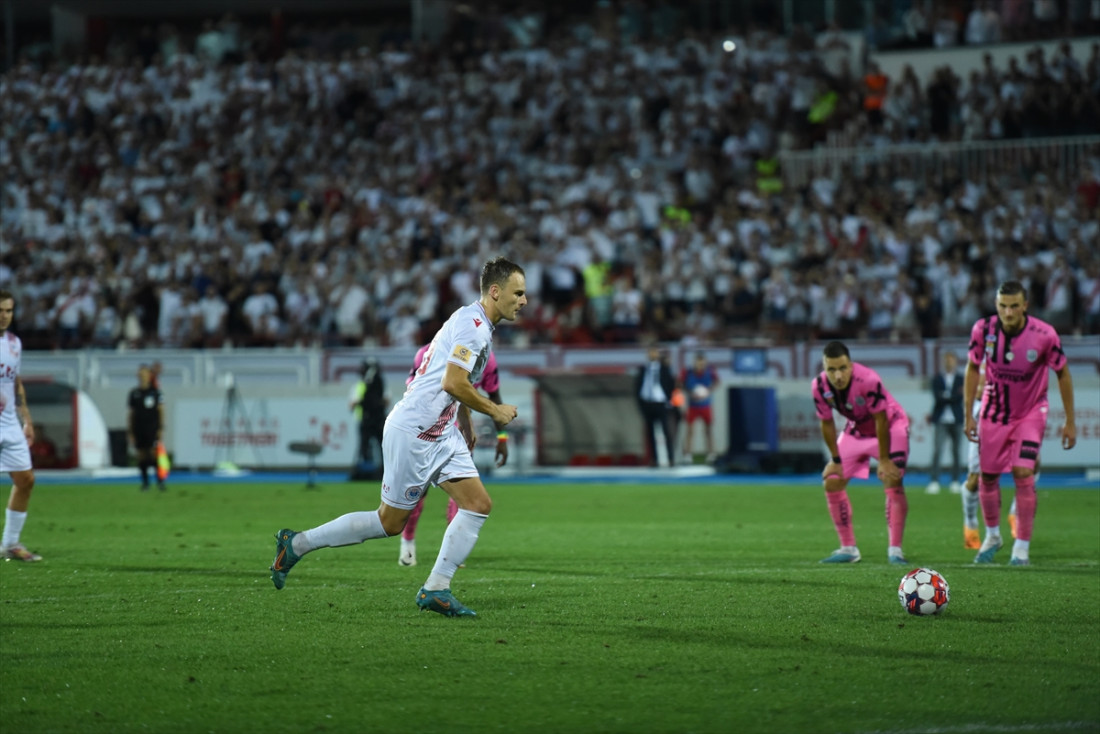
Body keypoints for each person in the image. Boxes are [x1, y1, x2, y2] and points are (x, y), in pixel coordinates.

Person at [269, 257, 526, 617]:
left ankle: (436, 589)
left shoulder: (474, 321)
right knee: (388, 523)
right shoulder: (474, 328)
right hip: (414, 432)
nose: (524, 300)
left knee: (478, 504)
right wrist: (495, 411)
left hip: (442, 432)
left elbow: (457, 380)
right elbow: (452, 382)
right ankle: (297, 544)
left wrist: (465, 421)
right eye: (518, 293)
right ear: (495, 291)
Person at [964, 280, 1076, 566]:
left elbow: (1063, 373)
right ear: (996, 305)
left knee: (1023, 472)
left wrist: (1070, 420)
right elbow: (973, 367)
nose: (1008, 312)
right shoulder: (982, 330)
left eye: (1014, 306)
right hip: (993, 412)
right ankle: (992, 536)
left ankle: (1021, 547)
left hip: (1030, 412)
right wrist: (968, 414)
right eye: (1003, 306)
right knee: (988, 476)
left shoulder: (1045, 335)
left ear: (1025, 305)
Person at [398, 345, 509, 567]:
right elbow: (414, 392)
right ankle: (407, 544)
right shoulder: (427, 353)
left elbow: (494, 396)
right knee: (418, 491)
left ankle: (452, 553)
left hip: (459, 432)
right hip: (425, 430)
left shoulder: (487, 358)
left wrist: (502, 437)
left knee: (463, 493)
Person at [813, 341, 911, 565]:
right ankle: (848, 548)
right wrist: (835, 460)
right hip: (856, 429)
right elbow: (826, 423)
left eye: (842, 368)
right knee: (832, 480)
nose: (838, 375)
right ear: (824, 368)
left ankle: (895, 550)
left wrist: (884, 460)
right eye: (831, 370)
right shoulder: (819, 386)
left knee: (892, 477)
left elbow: (881, 419)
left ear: (851, 365)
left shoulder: (868, 380)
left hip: (890, 427)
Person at [0, 290, 41, 562]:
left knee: (26, 480)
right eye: (0, 311)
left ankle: (10, 544)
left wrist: (26, 419)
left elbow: (15, 381)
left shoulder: (14, 343)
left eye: (8, 311)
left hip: (9, 423)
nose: (4, 316)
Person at [926, 351, 965, 495]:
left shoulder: (961, 379)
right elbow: (937, 397)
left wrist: (946, 396)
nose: (949, 363)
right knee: (938, 450)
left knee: (956, 451)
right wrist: (951, 396)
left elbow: (960, 397)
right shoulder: (937, 378)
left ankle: (955, 480)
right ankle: (934, 481)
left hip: (956, 419)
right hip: (941, 419)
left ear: (956, 362)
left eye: (951, 360)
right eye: (947, 360)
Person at [635, 345, 676, 467]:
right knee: (650, 434)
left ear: (658, 354)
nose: (652, 354)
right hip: (647, 403)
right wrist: (641, 403)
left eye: (654, 352)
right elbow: (638, 387)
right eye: (650, 352)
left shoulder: (664, 369)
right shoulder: (643, 369)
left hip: (660, 403)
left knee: (666, 431)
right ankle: (654, 459)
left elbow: (670, 384)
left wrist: (667, 400)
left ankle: (670, 458)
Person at [128, 364, 166, 491]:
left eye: (144, 374)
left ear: (149, 376)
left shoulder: (155, 393)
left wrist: (160, 428)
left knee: (154, 454)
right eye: (140, 374)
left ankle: (160, 482)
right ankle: (145, 483)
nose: (142, 376)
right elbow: (131, 414)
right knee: (142, 455)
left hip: (152, 428)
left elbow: (161, 411)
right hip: (139, 429)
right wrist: (131, 431)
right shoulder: (134, 393)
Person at [961, 362, 986, 550]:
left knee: (1026, 467)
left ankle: (1015, 515)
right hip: (982, 412)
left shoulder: (1013, 354)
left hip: (1009, 414)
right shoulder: (978, 360)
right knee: (975, 479)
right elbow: (972, 389)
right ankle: (970, 522)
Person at [348, 358, 386, 479]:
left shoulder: (379, 383)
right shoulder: (360, 386)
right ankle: (367, 471)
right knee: (364, 448)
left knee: (382, 447)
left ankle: (382, 471)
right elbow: (352, 404)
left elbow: (385, 400)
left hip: (378, 419)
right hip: (365, 420)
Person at [679, 350, 719, 462]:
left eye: (702, 362)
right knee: (690, 431)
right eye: (698, 362)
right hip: (692, 406)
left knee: (708, 430)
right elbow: (680, 383)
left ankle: (711, 453)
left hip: (706, 405)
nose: (700, 364)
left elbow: (717, 382)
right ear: (694, 362)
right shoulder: (688, 372)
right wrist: (689, 393)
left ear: (705, 362)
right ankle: (687, 454)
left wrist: (708, 391)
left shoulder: (710, 371)